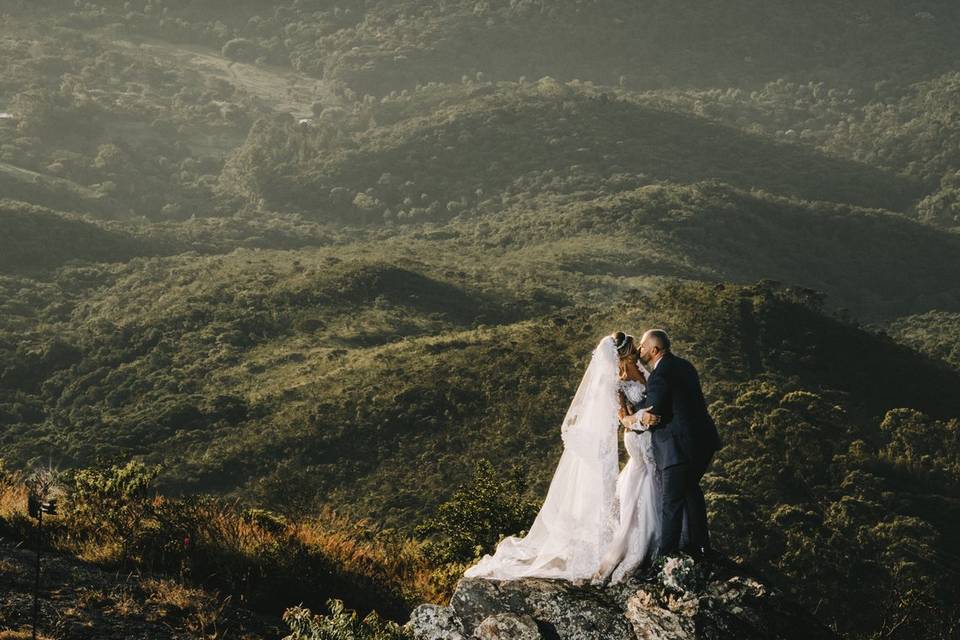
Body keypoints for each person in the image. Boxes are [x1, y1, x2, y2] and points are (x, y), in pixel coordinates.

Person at [621, 329, 720, 560]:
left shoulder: (659, 374)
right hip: (703, 441)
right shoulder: (685, 365)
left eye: (644, 347)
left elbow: (653, 414)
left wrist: (630, 420)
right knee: (691, 491)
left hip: (677, 446)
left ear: (655, 350)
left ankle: (666, 558)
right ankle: (701, 547)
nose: (640, 351)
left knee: (671, 501)